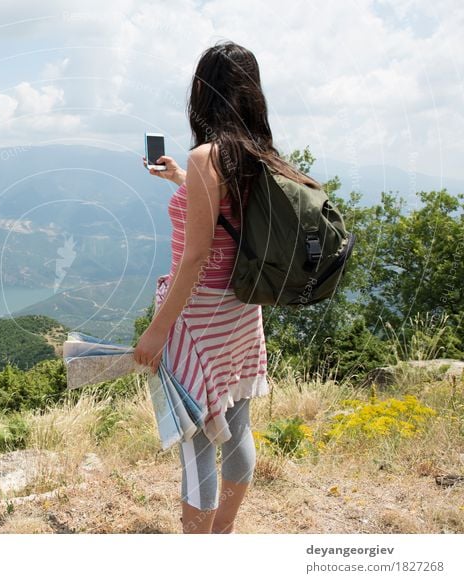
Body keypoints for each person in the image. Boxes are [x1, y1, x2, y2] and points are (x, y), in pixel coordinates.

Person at [133, 40, 322, 534]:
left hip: (196, 322)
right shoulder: (261, 156)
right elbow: (229, 223)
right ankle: (223, 537)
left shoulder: (206, 157)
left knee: (196, 443)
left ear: (202, 93)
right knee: (237, 432)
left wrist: (157, 331)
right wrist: (182, 179)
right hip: (242, 312)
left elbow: (195, 258)